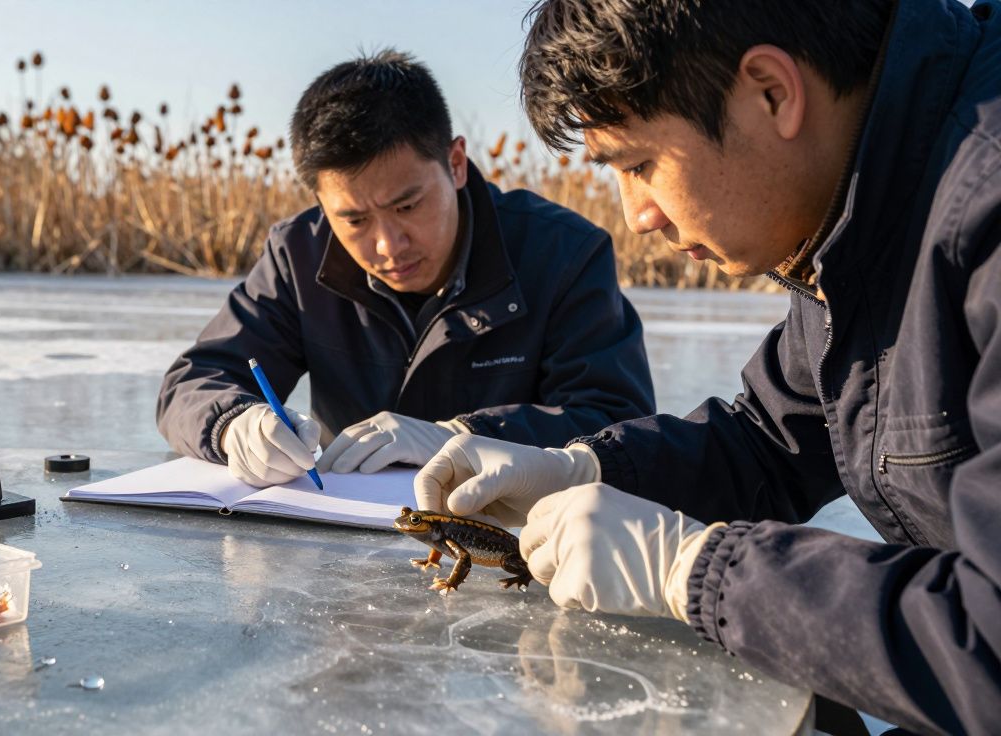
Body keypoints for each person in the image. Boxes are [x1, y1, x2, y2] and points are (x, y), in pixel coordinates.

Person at [415, 0, 1001, 732]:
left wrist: (700, 570)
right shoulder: (858, 207)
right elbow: (769, 443)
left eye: (640, 165)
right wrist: (586, 470)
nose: (637, 215)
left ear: (771, 93)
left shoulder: (983, 208)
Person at [156, 49, 654, 488]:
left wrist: (460, 437)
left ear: (456, 163)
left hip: (509, 547)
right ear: (320, 201)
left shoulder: (564, 254)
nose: (387, 245)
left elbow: (617, 423)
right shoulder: (298, 256)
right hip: (346, 544)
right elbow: (193, 381)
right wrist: (234, 424)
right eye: (353, 219)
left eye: (408, 206)